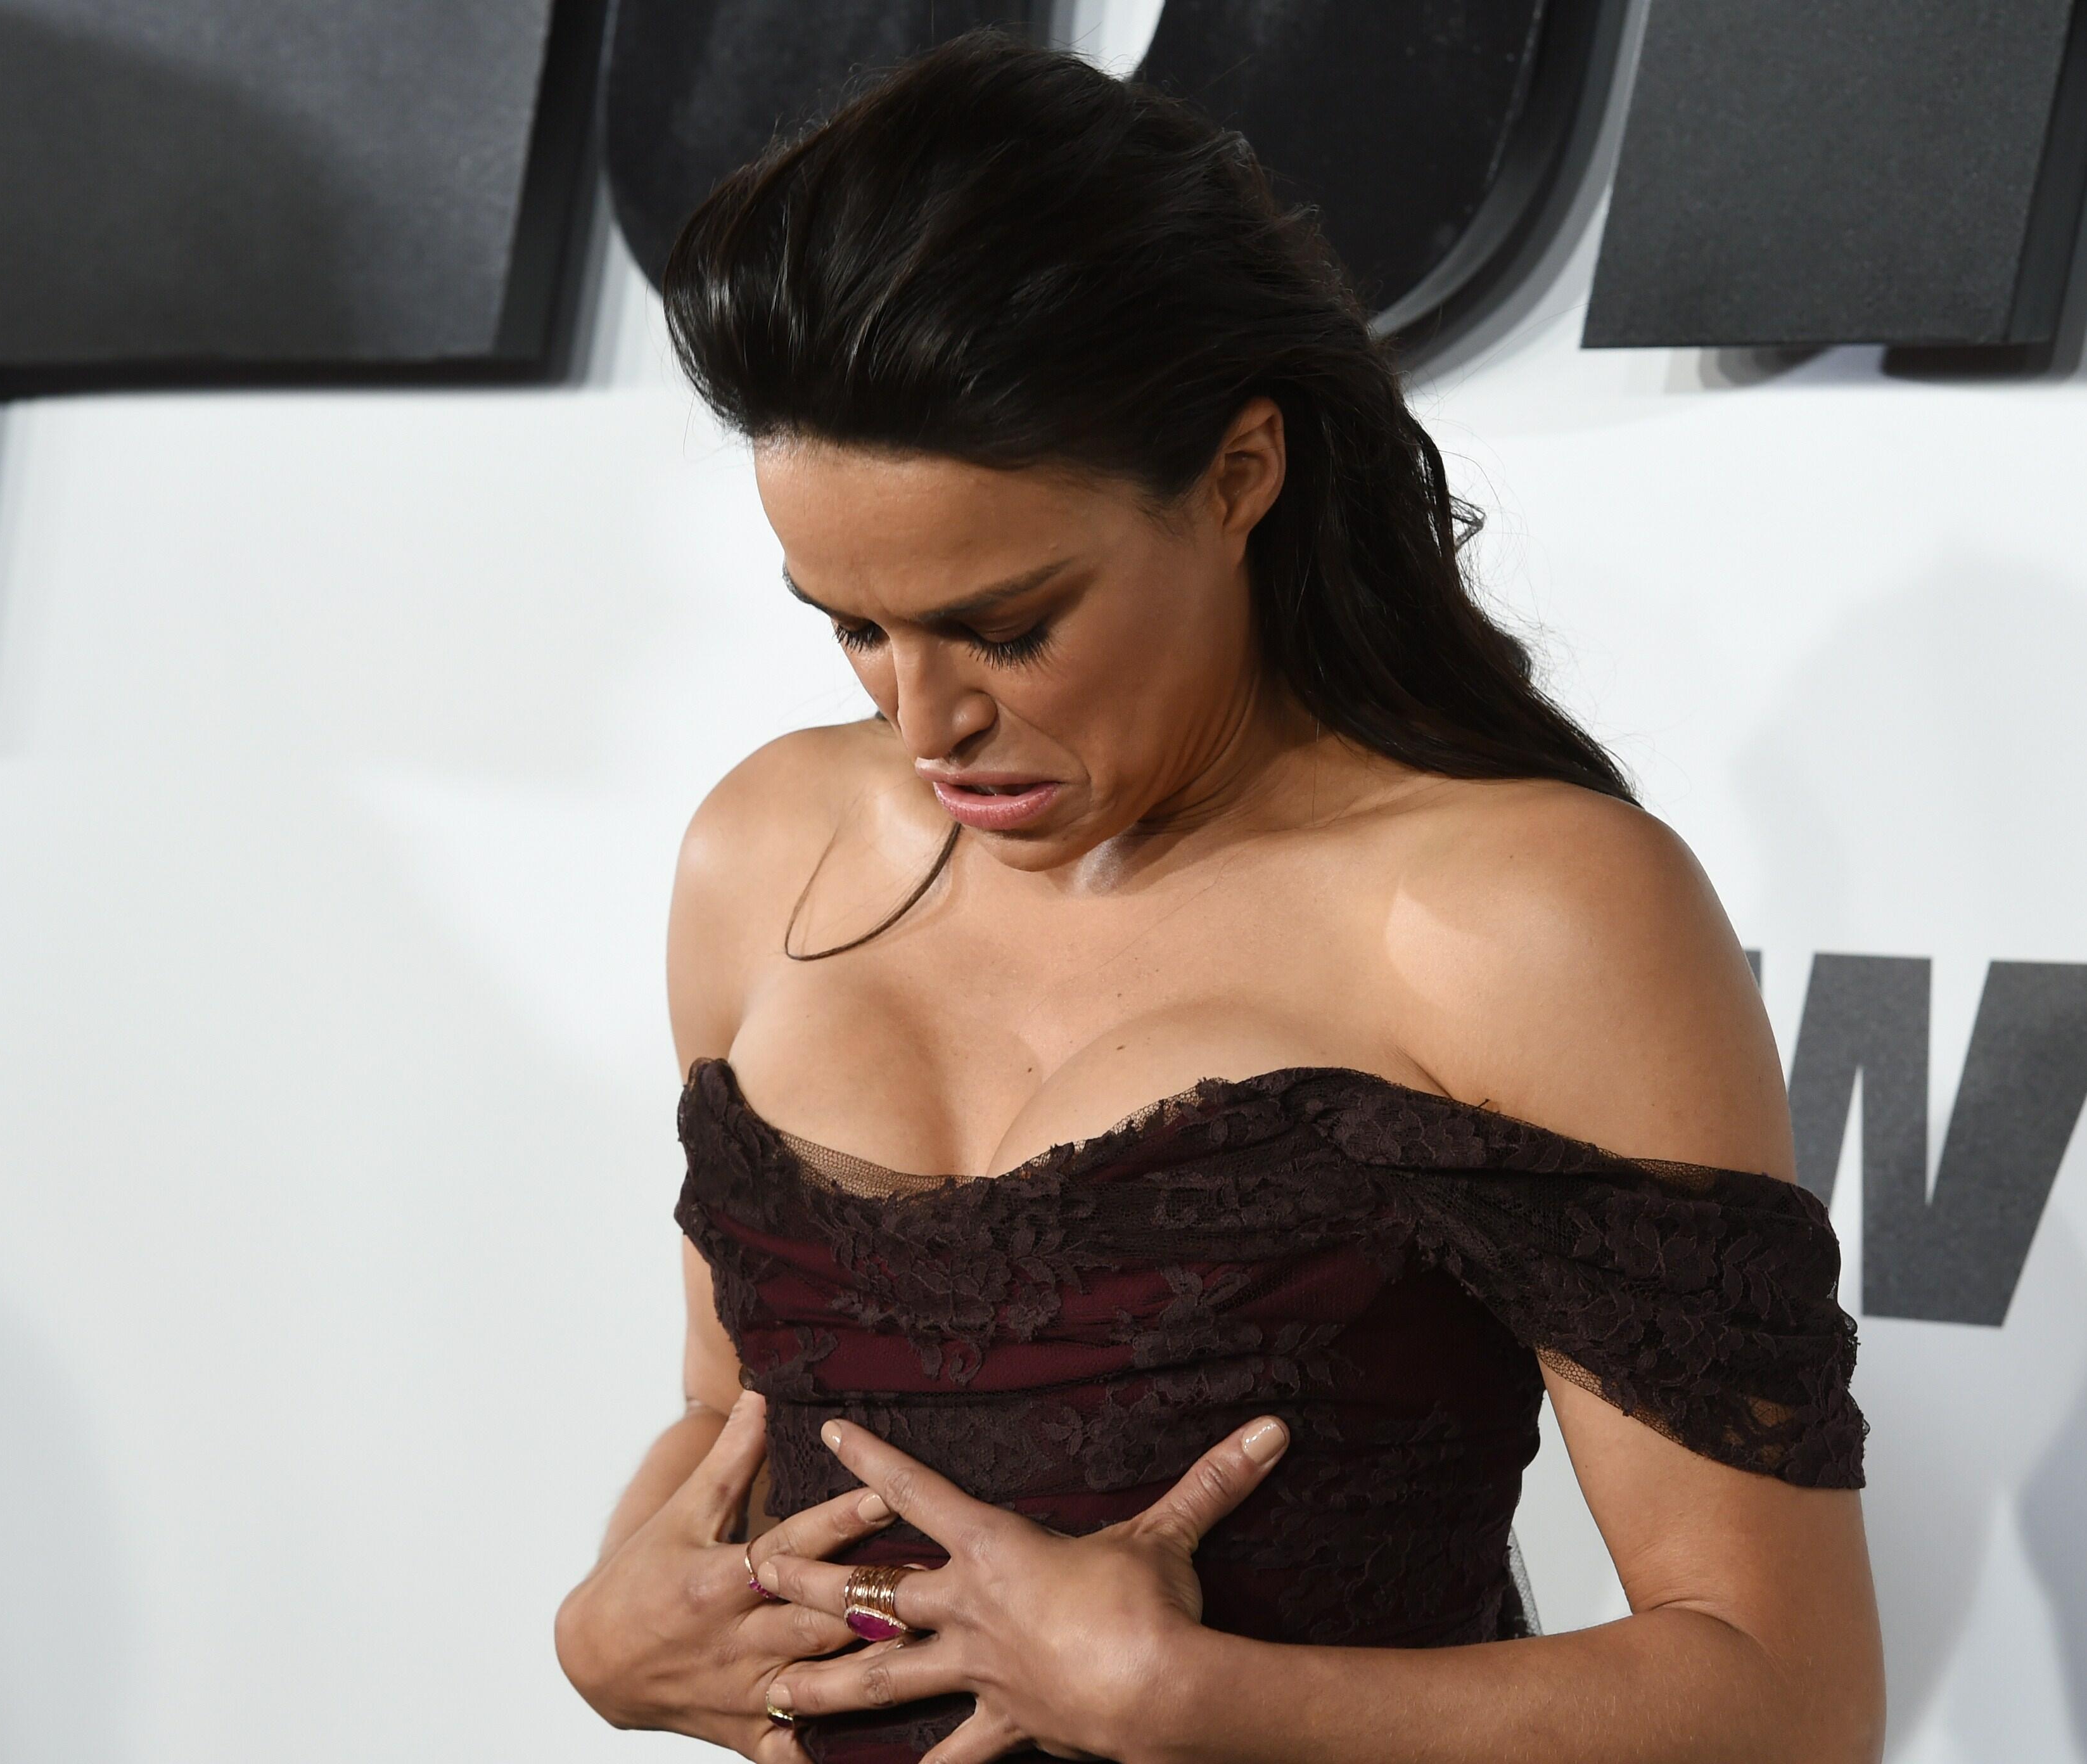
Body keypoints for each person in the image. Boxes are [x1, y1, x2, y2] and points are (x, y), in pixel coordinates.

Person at [554, 29, 1881, 1764]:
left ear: (1239, 474)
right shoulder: (766, 850)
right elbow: (727, 1414)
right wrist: (608, 1624)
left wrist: (1205, 1700)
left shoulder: (1519, 914)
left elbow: (1788, 1704)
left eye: (1011, 625)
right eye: (854, 626)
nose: (925, 719)